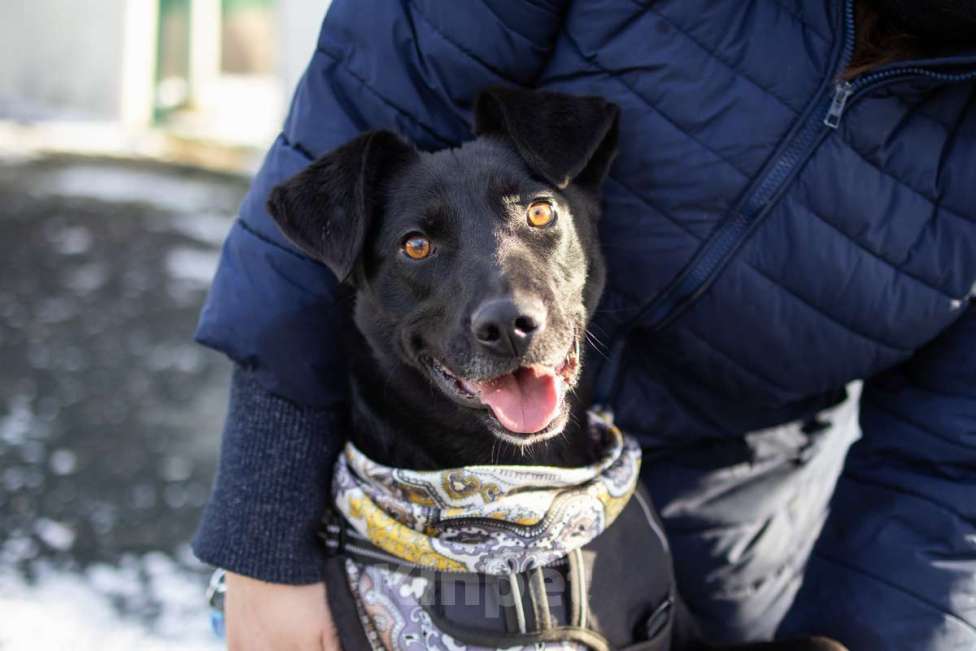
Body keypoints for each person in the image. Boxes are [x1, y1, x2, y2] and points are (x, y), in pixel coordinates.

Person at [192, 1, 976, 649]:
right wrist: (265, 542)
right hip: (381, 525)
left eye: (538, 212)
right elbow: (346, 122)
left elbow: (950, 469)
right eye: (421, 245)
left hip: (700, 551)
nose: (509, 307)